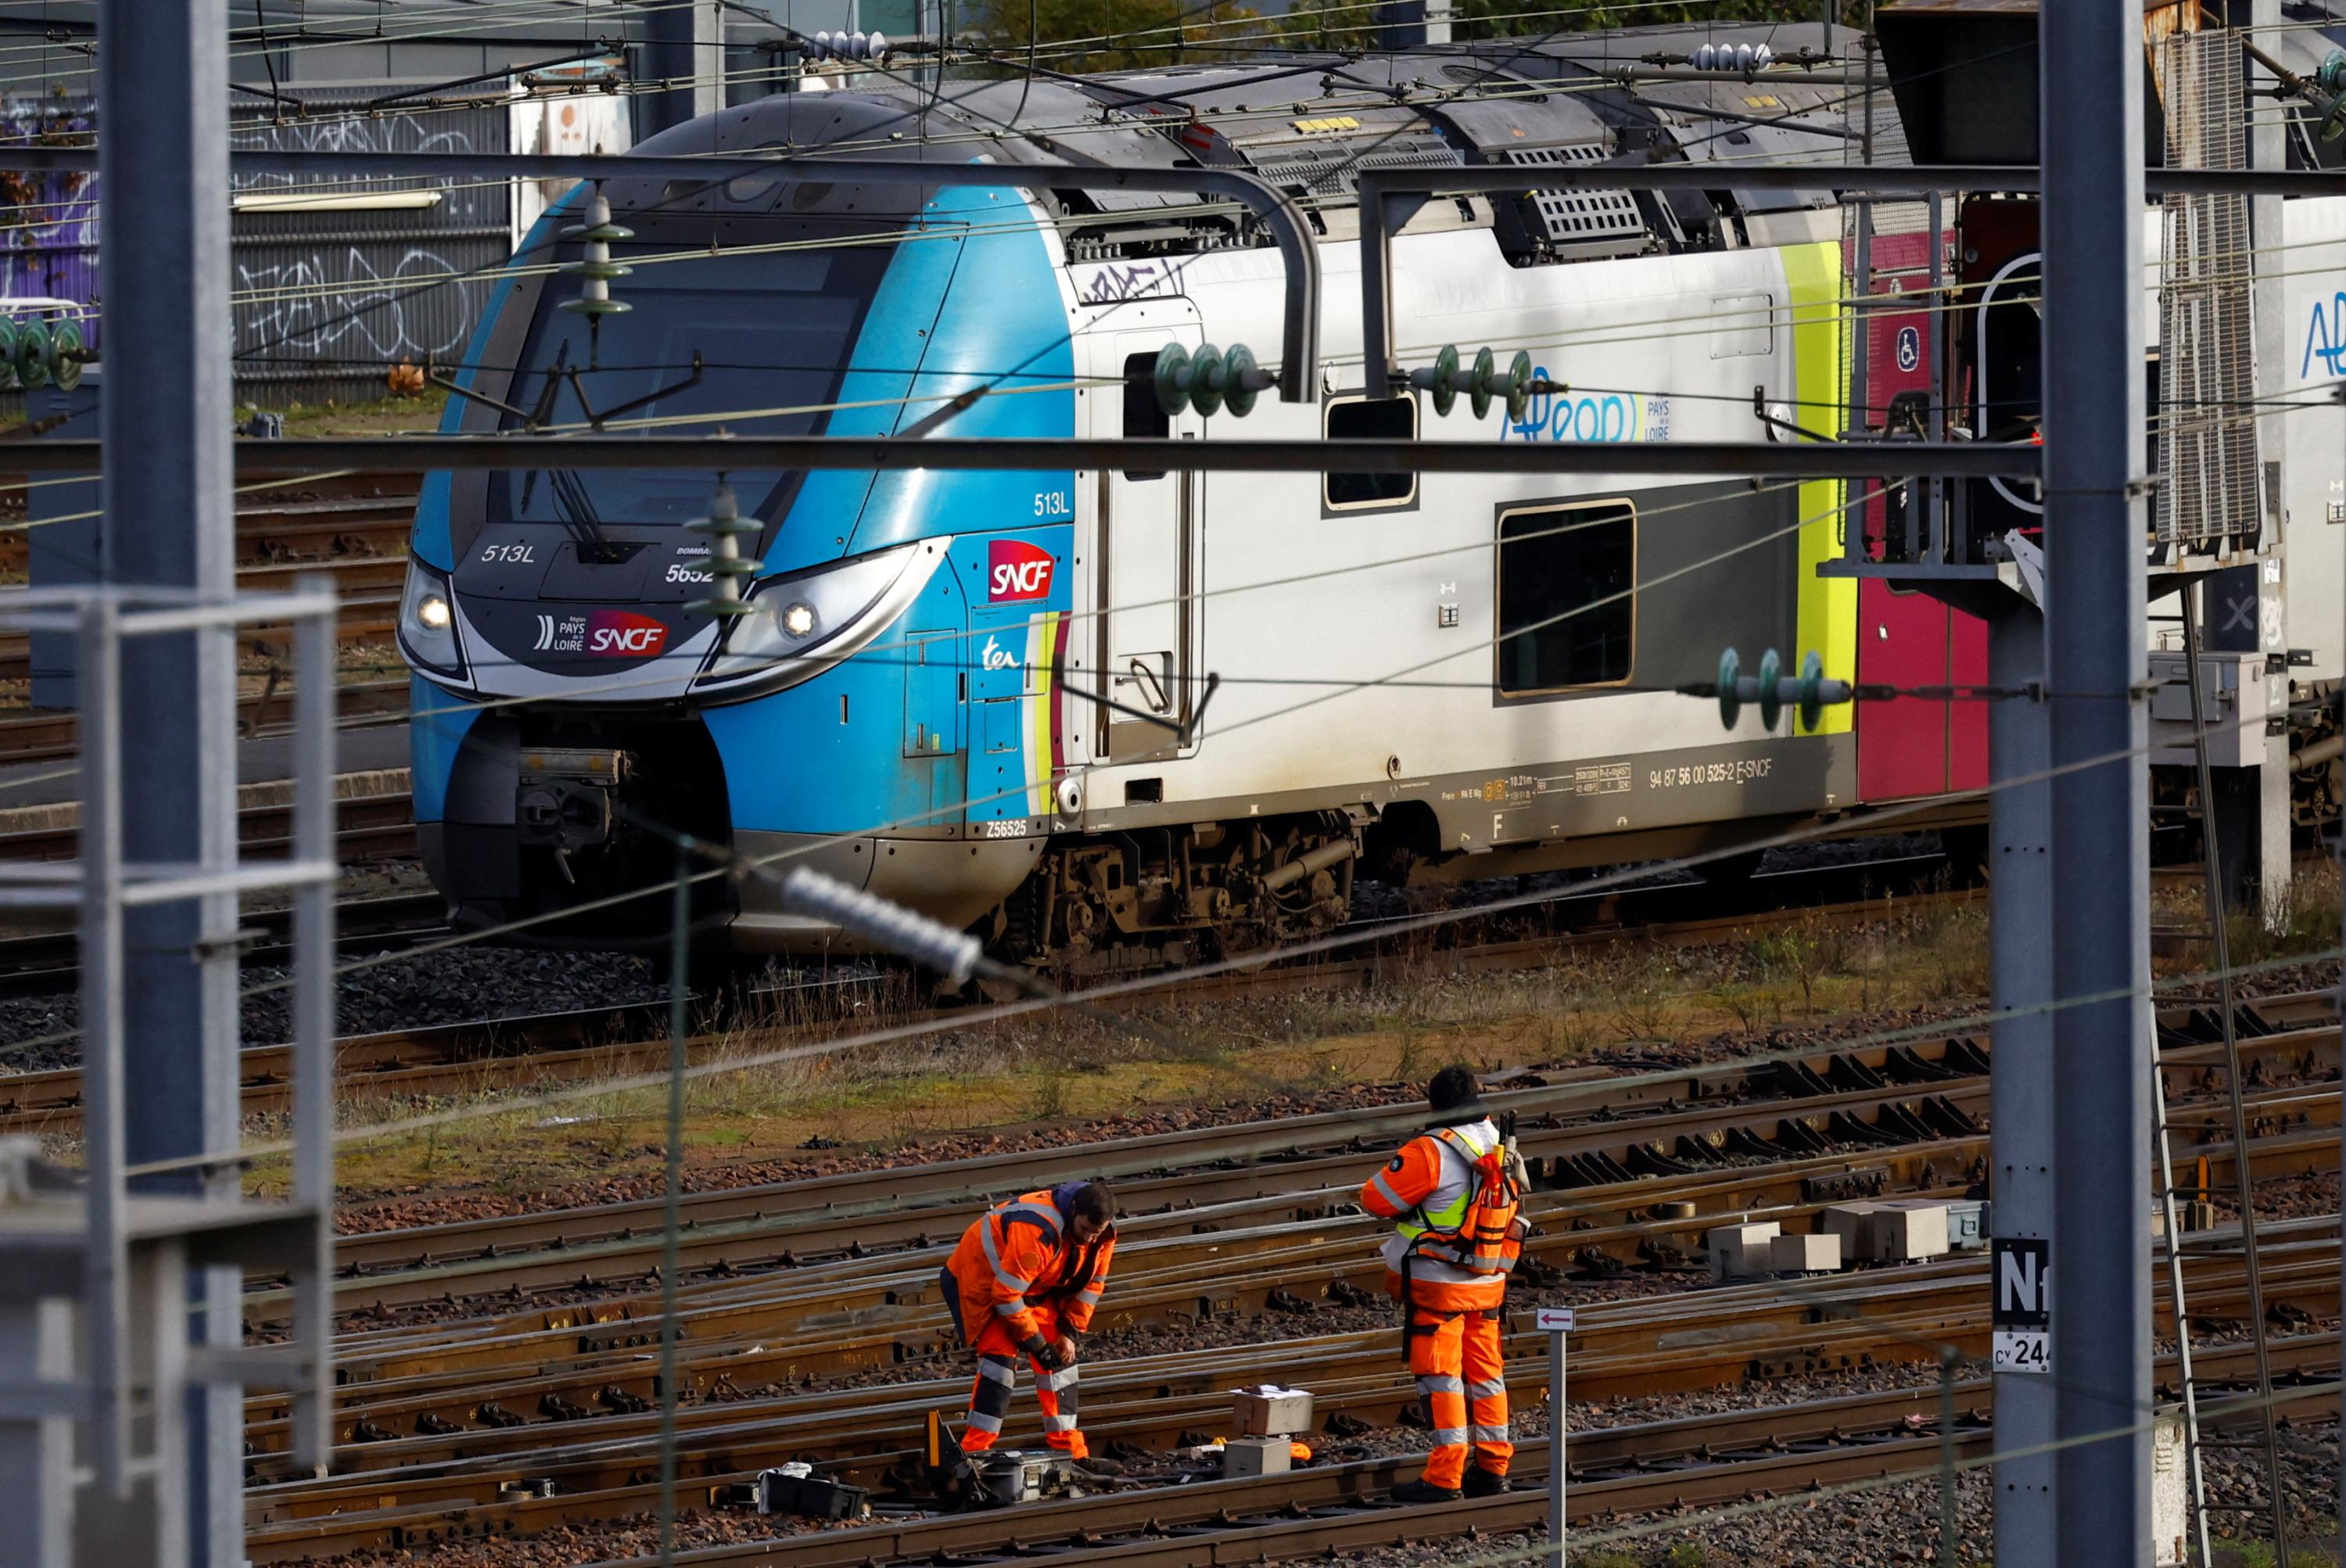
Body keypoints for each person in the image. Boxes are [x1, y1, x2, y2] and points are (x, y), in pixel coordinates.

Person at [1359, 1065, 1528, 1502]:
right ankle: (1493, 1469)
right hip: (1488, 1281)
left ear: (1433, 1104)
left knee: (1443, 1379)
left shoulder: (1430, 1150)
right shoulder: (1498, 1141)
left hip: (1438, 1286)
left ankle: (1444, 1476)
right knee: (1488, 1375)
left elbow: (1376, 1200)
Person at [941, 1179, 1121, 1474]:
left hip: (1033, 1286)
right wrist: (1037, 1344)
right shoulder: (1037, 1228)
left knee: (1062, 1365)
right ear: (1073, 1211)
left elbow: (1091, 1287)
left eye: (1095, 1232)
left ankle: (1070, 1454)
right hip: (982, 1281)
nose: (1088, 1239)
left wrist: (1068, 1334)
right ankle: (972, 1454)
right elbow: (1006, 1296)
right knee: (999, 1366)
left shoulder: (1105, 1236)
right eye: (1085, 1229)